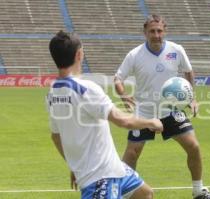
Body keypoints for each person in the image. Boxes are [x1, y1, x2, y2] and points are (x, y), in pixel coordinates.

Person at [46, 30, 163, 199]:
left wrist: (74, 166)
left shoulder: (52, 93)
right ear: (79, 54)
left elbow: (56, 137)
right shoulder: (86, 89)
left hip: (115, 168)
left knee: (145, 194)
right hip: (100, 177)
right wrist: (152, 123)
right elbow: (123, 121)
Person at [114, 15, 210, 199]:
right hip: (144, 112)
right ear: (145, 32)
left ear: (165, 31)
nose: (156, 35)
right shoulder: (134, 54)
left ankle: (198, 191)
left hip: (171, 110)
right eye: (152, 31)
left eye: (159, 31)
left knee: (193, 146)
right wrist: (123, 95)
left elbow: (188, 72)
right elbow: (118, 79)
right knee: (132, 153)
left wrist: (192, 98)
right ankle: (120, 194)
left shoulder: (176, 50)